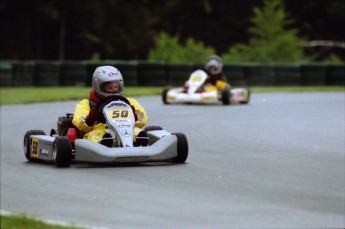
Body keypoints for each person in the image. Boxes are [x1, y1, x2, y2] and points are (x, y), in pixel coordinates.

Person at [72, 65, 148, 147]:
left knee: (137, 132)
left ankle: (138, 142)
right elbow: (80, 124)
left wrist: (134, 116)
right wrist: (92, 118)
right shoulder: (86, 104)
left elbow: (142, 120)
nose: (114, 90)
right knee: (96, 135)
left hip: (125, 129)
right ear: (98, 86)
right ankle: (103, 145)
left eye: (116, 87)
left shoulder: (129, 102)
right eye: (110, 87)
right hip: (99, 130)